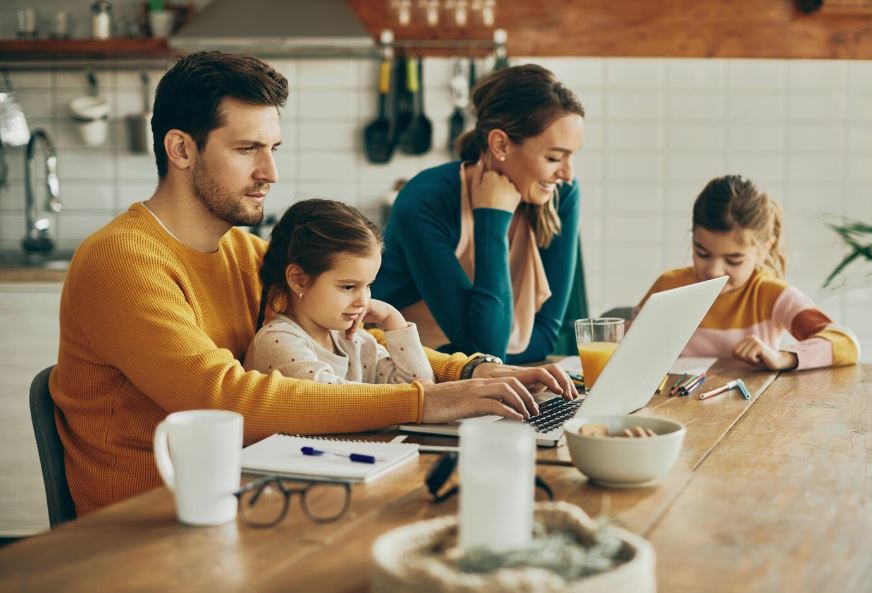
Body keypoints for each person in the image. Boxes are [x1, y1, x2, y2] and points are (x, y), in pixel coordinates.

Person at [51, 51, 574, 515]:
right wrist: (427, 401)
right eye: (247, 149)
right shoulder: (123, 262)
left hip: (255, 495)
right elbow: (227, 400)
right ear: (181, 149)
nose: (270, 171)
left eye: (273, 147)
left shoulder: (244, 253)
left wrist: (478, 371)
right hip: (148, 524)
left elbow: (356, 335)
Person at [372, 64, 585, 364]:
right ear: (500, 144)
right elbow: (484, 349)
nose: (567, 173)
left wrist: (488, 360)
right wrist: (492, 218)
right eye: (554, 157)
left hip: (482, 378)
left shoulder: (562, 194)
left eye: (572, 156)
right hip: (401, 371)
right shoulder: (424, 202)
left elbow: (546, 334)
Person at [635, 175, 860, 371]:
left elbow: (845, 342)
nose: (714, 271)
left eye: (734, 260)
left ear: (764, 250)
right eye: (702, 253)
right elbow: (627, 349)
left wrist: (784, 357)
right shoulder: (669, 286)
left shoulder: (771, 295)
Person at [244, 199, 434, 385]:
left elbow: (421, 389)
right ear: (298, 280)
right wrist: (415, 398)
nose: (363, 301)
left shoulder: (355, 341)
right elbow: (340, 403)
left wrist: (392, 318)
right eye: (348, 287)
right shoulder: (277, 342)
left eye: (368, 285)